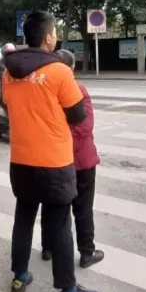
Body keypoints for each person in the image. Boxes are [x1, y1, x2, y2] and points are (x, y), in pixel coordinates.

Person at [1, 10, 100, 292]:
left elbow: (8, 104)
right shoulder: (59, 71)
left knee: (23, 218)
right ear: (48, 38)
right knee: (60, 225)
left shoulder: (8, 72)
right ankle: (67, 291)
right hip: (54, 162)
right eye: (55, 32)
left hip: (21, 160)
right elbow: (78, 114)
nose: (55, 36)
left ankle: (19, 277)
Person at [40, 49, 104, 268]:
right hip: (71, 160)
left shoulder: (48, 92)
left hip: (65, 160)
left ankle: (74, 250)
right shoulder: (77, 90)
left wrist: (58, 134)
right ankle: (65, 249)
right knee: (66, 207)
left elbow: (51, 128)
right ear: (73, 69)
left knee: (65, 207)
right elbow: (84, 126)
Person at [0, 43, 17, 142]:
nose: (10, 55)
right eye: (8, 53)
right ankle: (13, 131)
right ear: (3, 54)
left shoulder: (17, 63)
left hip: (17, 94)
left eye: (12, 53)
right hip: (5, 95)